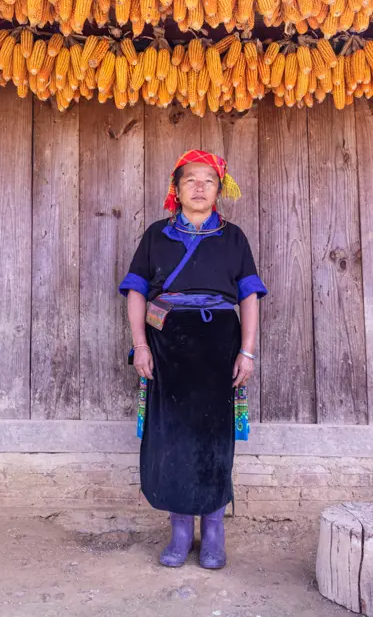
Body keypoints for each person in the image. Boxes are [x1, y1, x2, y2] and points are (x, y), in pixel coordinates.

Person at [119, 149, 267, 570]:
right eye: (190, 180)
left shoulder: (233, 237)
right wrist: (141, 346)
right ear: (176, 190)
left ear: (219, 190)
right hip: (167, 344)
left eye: (208, 180)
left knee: (213, 437)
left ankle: (214, 528)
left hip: (220, 343)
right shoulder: (156, 236)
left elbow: (249, 296)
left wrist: (247, 350)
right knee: (172, 435)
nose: (199, 186)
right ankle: (181, 529)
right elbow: (136, 292)